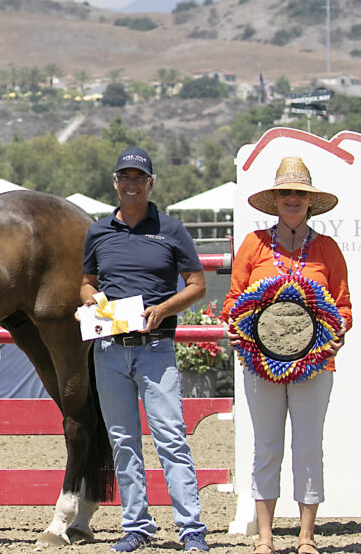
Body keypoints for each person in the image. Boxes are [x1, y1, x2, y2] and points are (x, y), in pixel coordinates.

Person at [79, 147, 209, 552]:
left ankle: (191, 529)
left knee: (171, 438)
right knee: (122, 440)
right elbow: (87, 281)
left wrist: (165, 309)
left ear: (150, 183)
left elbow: (197, 285)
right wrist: (88, 300)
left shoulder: (171, 229)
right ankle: (136, 525)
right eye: (125, 177)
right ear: (115, 183)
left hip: (155, 348)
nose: (131, 184)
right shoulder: (98, 232)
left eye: (139, 177)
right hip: (109, 351)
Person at [221, 157, 350, 554]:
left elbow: (343, 307)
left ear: (310, 202)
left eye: (299, 193)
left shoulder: (327, 249)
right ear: (274, 199)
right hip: (260, 366)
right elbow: (233, 300)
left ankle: (307, 537)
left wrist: (337, 335)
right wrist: (231, 325)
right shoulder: (253, 245)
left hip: (316, 366)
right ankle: (264, 537)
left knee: (309, 446)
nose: (292, 198)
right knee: (266, 446)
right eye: (285, 192)